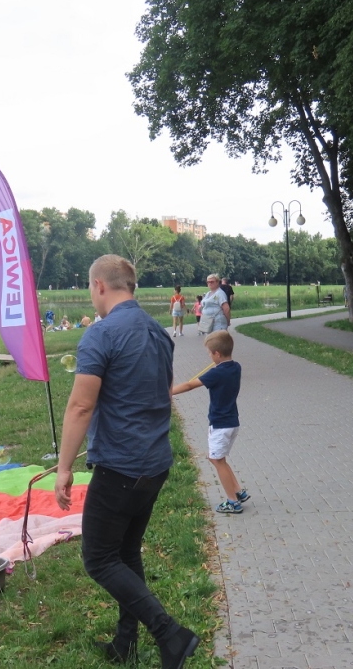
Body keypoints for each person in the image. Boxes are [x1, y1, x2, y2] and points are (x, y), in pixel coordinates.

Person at [54, 254, 199, 669]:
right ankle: (125, 644)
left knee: (99, 559)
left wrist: (64, 468)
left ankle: (170, 635)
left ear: (99, 285)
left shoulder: (101, 334)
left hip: (120, 467)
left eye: (90, 287)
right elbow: (156, 392)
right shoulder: (158, 332)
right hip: (155, 464)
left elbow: (81, 406)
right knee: (126, 553)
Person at [171, 330, 248, 514]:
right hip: (232, 422)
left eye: (209, 353)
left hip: (220, 424)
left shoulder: (216, 373)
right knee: (218, 458)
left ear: (217, 354)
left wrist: (168, 392)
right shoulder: (235, 367)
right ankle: (238, 491)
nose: (209, 356)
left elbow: (189, 385)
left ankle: (232, 502)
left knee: (216, 460)